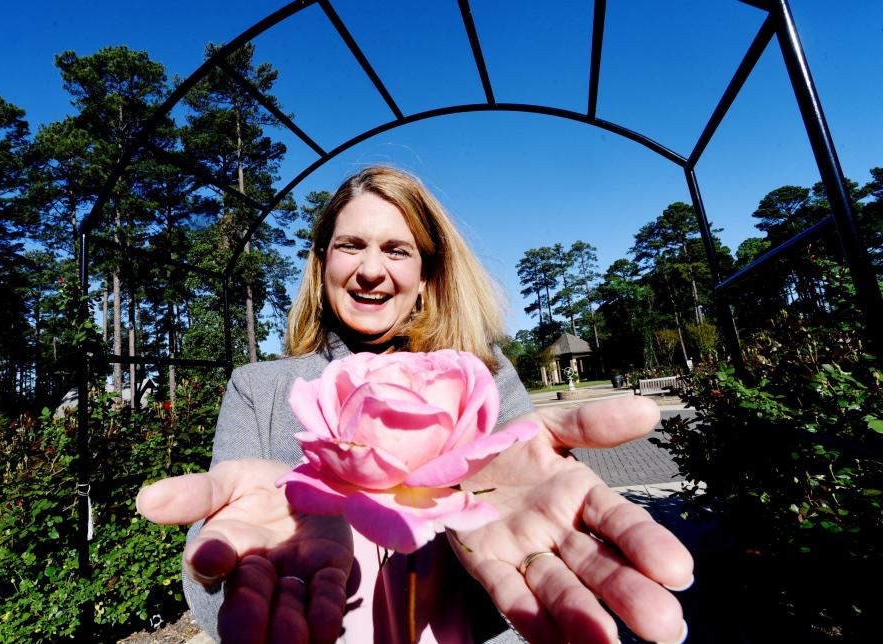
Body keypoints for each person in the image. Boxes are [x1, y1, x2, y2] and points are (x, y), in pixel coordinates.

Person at [137, 166, 693, 644]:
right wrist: (227, 577)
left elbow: (526, 540)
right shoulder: (257, 388)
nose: (372, 270)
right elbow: (207, 586)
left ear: (426, 275)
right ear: (321, 263)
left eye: (396, 250)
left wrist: (482, 529)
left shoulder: (483, 377)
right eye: (350, 245)